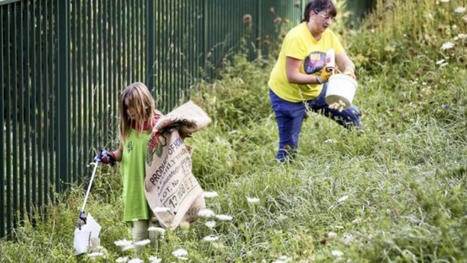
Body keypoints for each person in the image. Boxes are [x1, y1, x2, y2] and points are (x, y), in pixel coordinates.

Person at [268, 0, 361, 163]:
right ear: (312, 13)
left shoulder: (328, 36)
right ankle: (282, 181)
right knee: (288, 150)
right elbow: (292, 76)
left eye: (331, 18)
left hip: (316, 91)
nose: (329, 22)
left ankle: (358, 152)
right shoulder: (297, 37)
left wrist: (348, 72)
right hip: (288, 98)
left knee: (353, 116)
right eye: (326, 17)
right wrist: (320, 79)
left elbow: (346, 62)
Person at [94, 82, 162, 243]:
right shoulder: (128, 128)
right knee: (138, 236)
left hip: (156, 189)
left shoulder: (159, 126)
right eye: (126, 107)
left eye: (132, 106)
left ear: (144, 104)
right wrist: (109, 156)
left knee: (156, 235)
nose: (128, 111)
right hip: (135, 190)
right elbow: (121, 153)